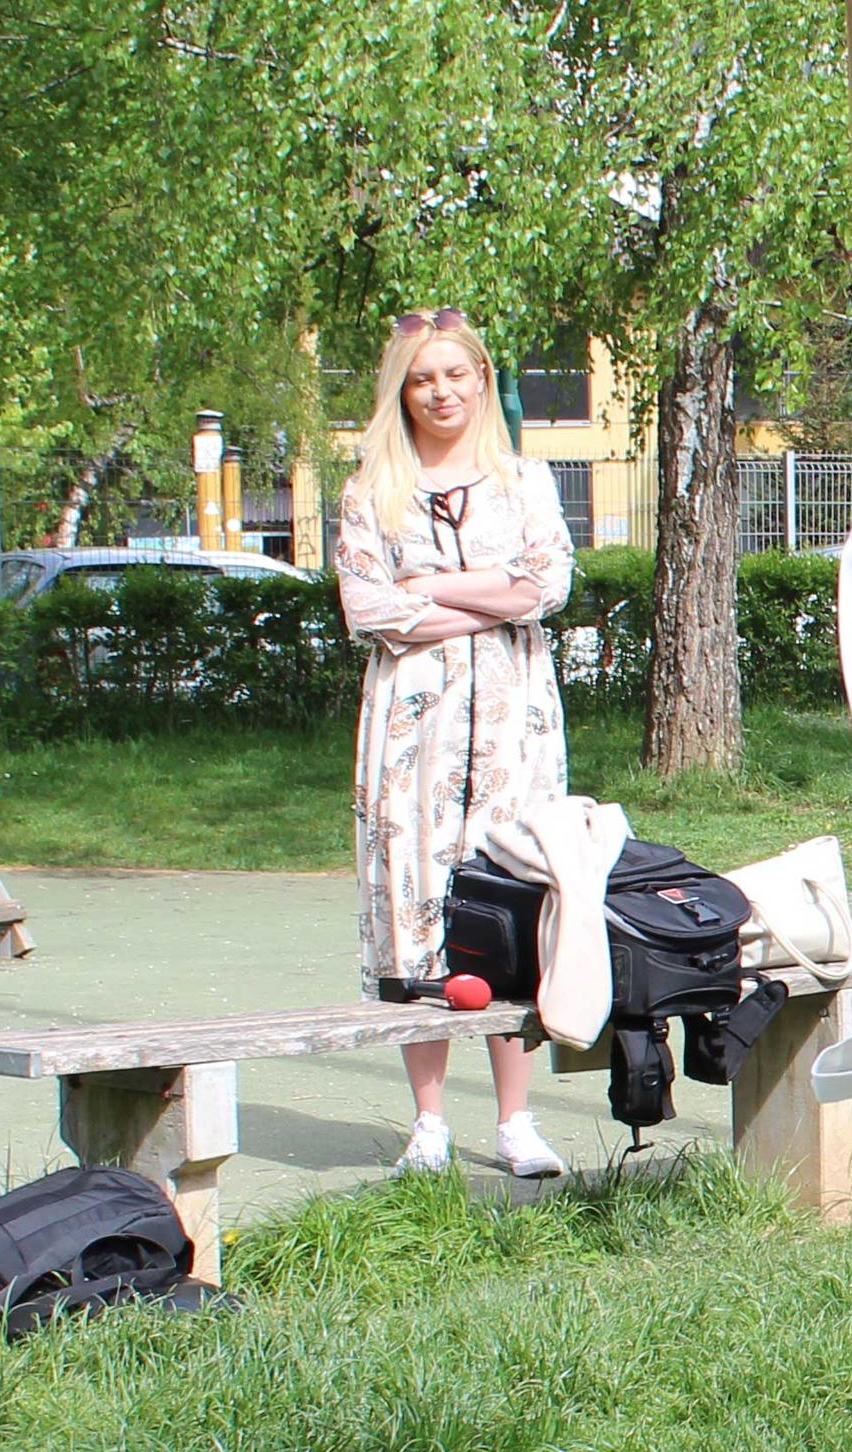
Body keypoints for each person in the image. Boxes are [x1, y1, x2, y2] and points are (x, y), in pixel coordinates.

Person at [335, 309, 578, 1179]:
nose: (440, 392)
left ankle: (516, 1119)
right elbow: (368, 608)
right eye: (421, 379)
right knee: (419, 897)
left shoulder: (524, 481)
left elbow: (543, 588)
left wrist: (430, 583)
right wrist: (484, 594)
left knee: (508, 896)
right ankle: (429, 1124)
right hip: (414, 724)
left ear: (482, 379)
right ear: (401, 391)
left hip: (513, 718)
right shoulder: (373, 490)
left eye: (455, 375)